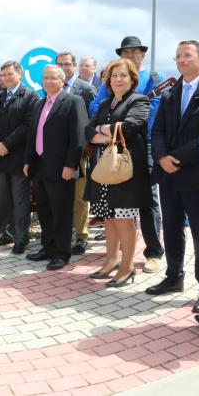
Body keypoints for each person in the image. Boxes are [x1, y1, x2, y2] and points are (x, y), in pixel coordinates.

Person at [147, 40, 199, 311]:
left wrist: (175, 158)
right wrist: (162, 157)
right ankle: (173, 276)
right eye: (178, 56)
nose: (182, 60)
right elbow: (157, 132)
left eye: (187, 55)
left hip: (197, 176)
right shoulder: (169, 94)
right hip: (168, 176)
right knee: (172, 228)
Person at [89, 36, 166, 273]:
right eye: (126, 51)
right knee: (114, 206)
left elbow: (149, 114)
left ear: (143, 54)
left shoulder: (155, 79)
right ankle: (116, 254)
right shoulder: (109, 79)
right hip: (110, 151)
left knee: (148, 198)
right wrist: (110, 131)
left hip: (145, 146)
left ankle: (153, 251)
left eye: (135, 51)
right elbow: (96, 108)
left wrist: (115, 128)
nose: (130, 55)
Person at [85, 58, 151, 286]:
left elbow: (131, 127)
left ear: (132, 79)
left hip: (125, 171)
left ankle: (127, 266)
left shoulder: (139, 100)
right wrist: (110, 130)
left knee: (124, 220)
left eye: (123, 75)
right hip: (104, 170)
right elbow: (87, 131)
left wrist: (101, 131)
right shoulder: (104, 104)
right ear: (108, 80)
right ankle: (111, 260)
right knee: (109, 218)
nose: (118, 79)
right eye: (114, 76)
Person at [24, 65, 87, 269]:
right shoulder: (40, 103)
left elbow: (78, 138)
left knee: (61, 211)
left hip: (61, 168)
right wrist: (27, 161)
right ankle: (48, 247)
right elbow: (32, 136)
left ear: (62, 81)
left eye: (53, 78)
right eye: (45, 78)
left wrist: (71, 164)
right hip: (40, 166)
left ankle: (62, 252)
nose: (48, 81)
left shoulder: (73, 102)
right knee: (44, 209)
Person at [0, 61, 38, 253]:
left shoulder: (30, 97)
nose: (5, 78)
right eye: (2, 74)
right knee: (3, 200)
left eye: (9, 74)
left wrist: (7, 144)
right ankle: (6, 233)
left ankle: (21, 238)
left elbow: (28, 125)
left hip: (18, 158)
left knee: (20, 199)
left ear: (19, 75)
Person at [56, 51, 97, 255]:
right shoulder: (52, 90)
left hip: (80, 152)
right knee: (62, 194)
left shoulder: (87, 89)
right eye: (59, 64)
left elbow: (93, 119)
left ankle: (82, 236)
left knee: (80, 196)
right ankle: (64, 232)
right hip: (58, 153)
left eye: (66, 64)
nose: (63, 67)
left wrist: (88, 147)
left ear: (74, 65)